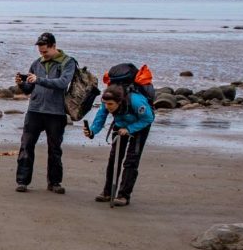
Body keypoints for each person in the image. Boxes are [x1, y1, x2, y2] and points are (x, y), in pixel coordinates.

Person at [14, 32, 77, 194]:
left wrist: (39, 80)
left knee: (55, 148)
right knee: (26, 145)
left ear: (54, 46)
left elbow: (63, 83)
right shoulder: (36, 63)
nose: (42, 54)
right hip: (34, 110)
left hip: (56, 112)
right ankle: (22, 181)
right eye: (40, 51)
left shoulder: (68, 62)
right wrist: (22, 84)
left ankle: (54, 182)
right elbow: (29, 89)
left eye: (45, 51)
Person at [84, 84, 154, 206]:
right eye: (105, 103)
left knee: (131, 161)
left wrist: (130, 129)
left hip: (139, 126)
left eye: (110, 104)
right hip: (120, 124)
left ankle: (123, 195)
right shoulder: (107, 103)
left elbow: (148, 118)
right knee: (113, 159)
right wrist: (92, 131)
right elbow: (100, 118)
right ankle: (108, 192)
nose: (107, 107)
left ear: (120, 102)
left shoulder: (136, 101)